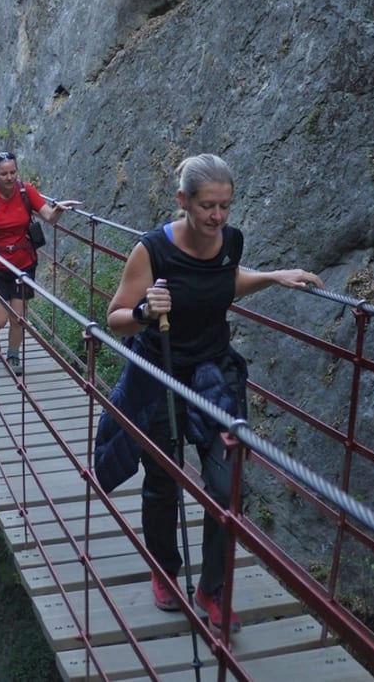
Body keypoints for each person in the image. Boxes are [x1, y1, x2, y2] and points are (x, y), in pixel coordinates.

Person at [105, 154, 323, 634]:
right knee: (163, 479)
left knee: (226, 488)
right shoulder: (152, 251)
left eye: (225, 206)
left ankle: (212, 589)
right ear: (183, 201)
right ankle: (164, 570)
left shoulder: (231, 242)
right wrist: (144, 312)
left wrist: (272, 276)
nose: (218, 216)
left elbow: (226, 282)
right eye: (208, 206)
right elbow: (115, 318)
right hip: (160, 370)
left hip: (212, 375)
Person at [0, 152, 81, 373]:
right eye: (4, 174)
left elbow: (49, 217)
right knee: (0, 319)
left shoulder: (26, 191)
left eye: (13, 172)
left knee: (18, 317)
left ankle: (13, 355)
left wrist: (58, 210)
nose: (9, 177)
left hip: (23, 264)